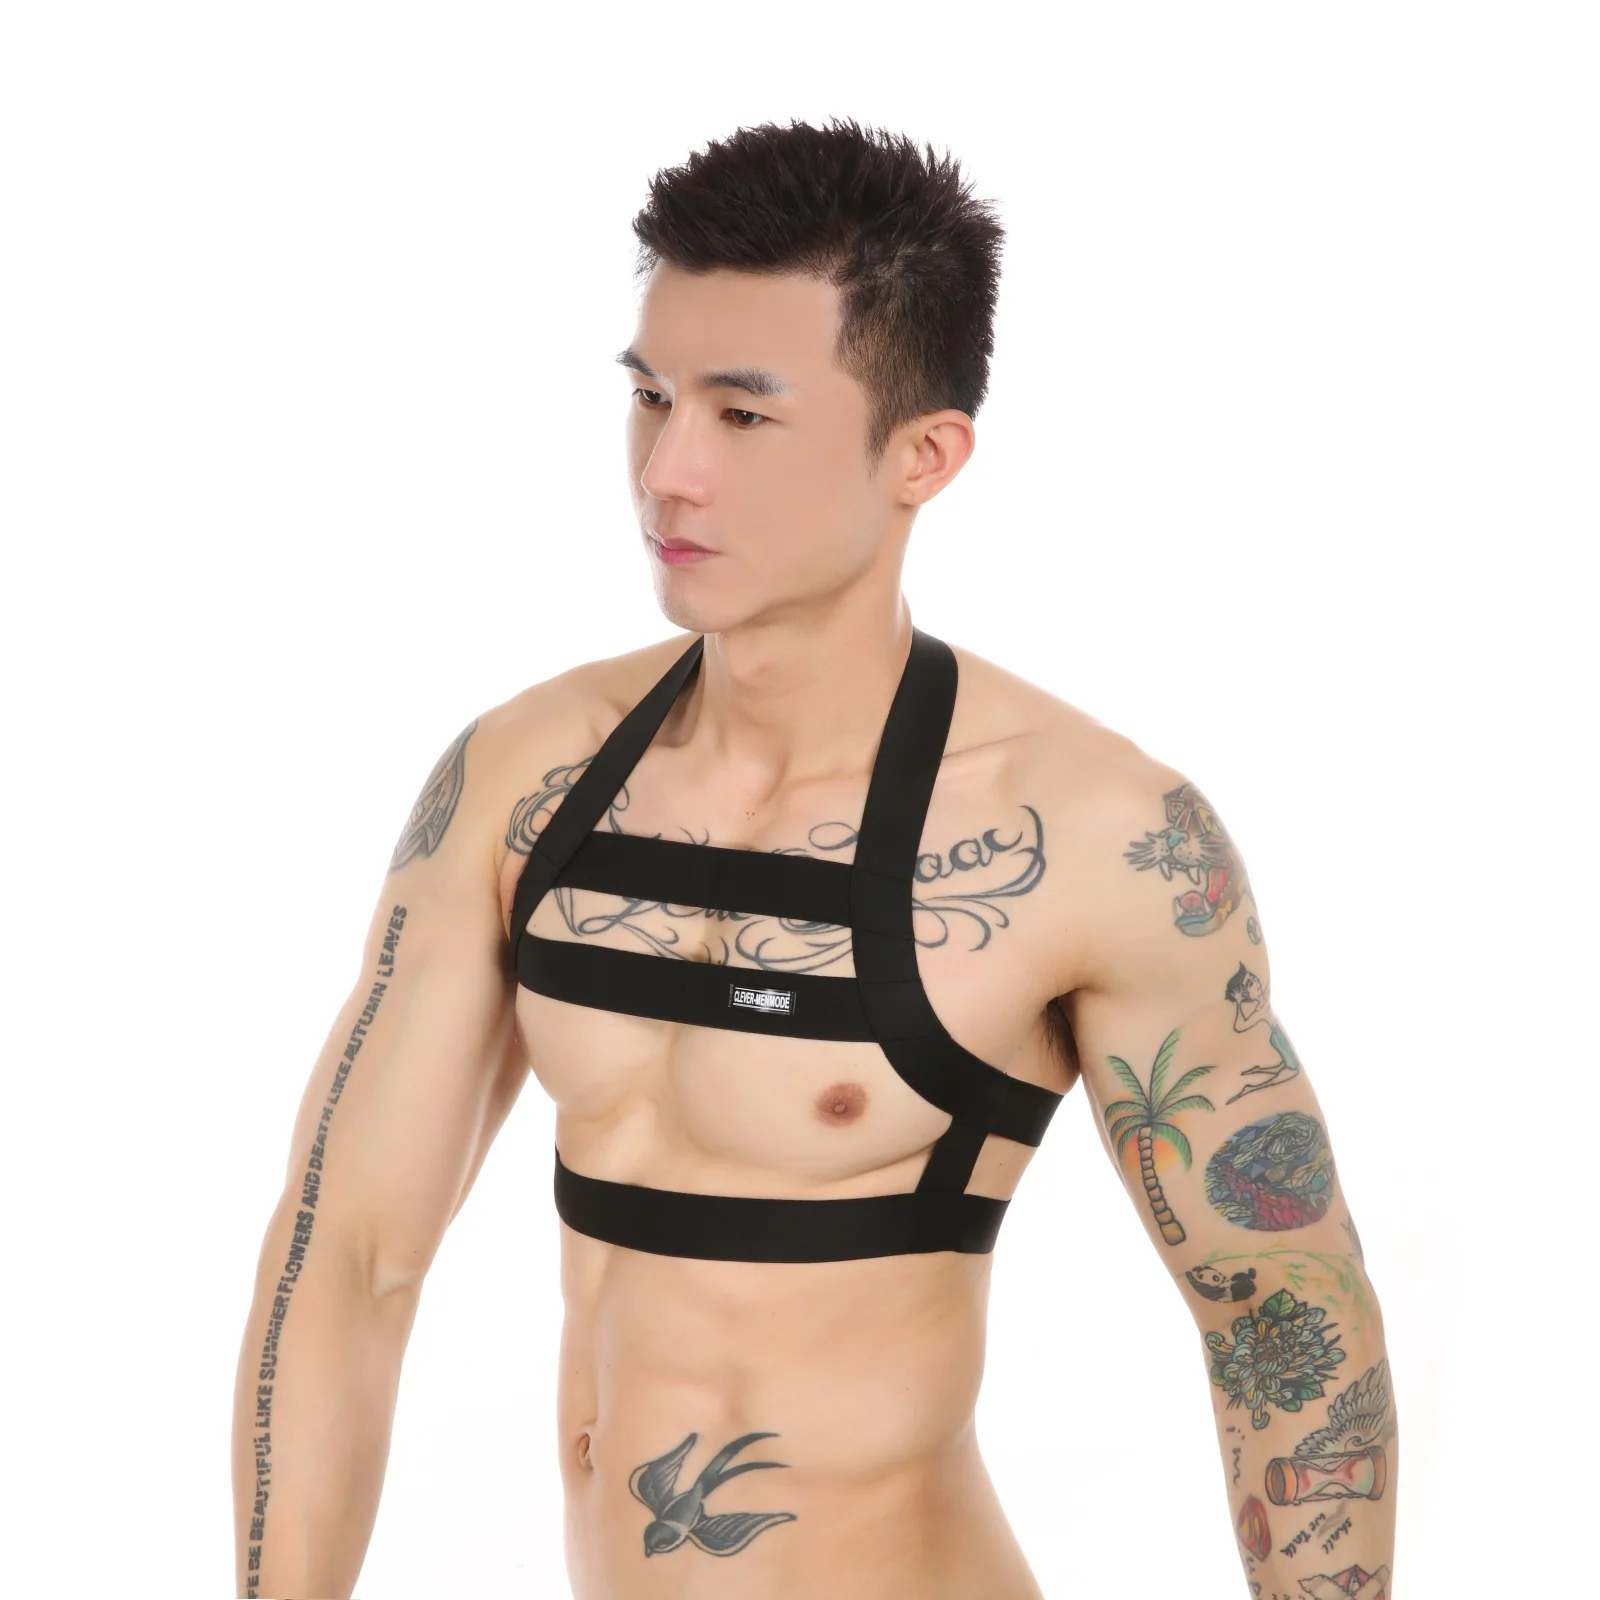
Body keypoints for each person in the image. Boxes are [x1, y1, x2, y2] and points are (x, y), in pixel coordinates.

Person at [231, 115, 1396, 1600]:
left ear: (924, 455)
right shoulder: (525, 779)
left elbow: (1281, 1312)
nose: (668, 472)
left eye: (743, 414)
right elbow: (347, 1252)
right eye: (650, 398)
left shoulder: (1096, 836)